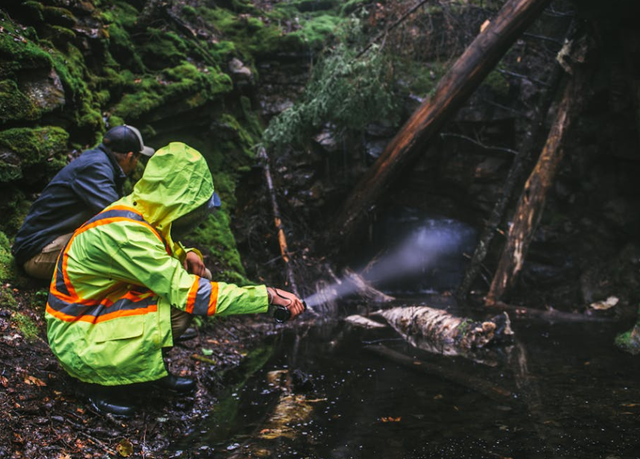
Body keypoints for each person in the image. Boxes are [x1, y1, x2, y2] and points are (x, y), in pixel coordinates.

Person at [45, 142, 305, 416]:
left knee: (181, 296)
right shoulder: (126, 235)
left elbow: (158, 249)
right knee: (179, 307)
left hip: (94, 311)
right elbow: (192, 294)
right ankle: (96, 385)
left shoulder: (144, 209)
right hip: (76, 337)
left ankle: (145, 373)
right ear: (177, 199)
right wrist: (267, 296)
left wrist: (186, 254)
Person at [12, 125, 155, 280]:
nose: (136, 164)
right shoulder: (96, 169)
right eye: (138, 158)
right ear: (129, 156)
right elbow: (120, 218)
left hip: (45, 245)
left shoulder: (98, 161)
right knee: (114, 250)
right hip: (37, 254)